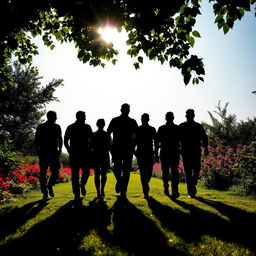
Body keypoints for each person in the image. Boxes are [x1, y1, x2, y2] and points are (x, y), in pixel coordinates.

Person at [107, 103, 138, 199]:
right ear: (122, 110)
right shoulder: (116, 120)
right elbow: (108, 133)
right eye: (126, 109)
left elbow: (136, 135)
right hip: (118, 148)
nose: (126, 111)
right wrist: (111, 146)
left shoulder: (131, 121)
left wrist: (133, 146)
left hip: (126, 149)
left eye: (127, 109)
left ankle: (123, 190)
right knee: (118, 168)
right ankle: (120, 183)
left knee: (126, 170)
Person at [179, 109, 209, 198]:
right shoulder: (182, 126)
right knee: (188, 172)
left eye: (190, 115)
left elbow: (204, 137)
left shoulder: (198, 126)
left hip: (196, 151)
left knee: (196, 170)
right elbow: (177, 139)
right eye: (188, 114)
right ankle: (191, 192)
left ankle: (192, 184)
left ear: (193, 115)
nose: (188, 116)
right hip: (185, 152)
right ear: (186, 116)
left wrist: (206, 148)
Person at [64, 111, 93, 200]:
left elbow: (91, 140)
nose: (85, 118)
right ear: (79, 117)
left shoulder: (87, 127)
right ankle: (76, 193)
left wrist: (90, 149)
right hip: (76, 154)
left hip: (83, 153)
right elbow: (65, 140)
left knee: (85, 172)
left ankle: (82, 185)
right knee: (75, 174)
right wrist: (69, 150)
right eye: (84, 116)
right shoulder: (71, 127)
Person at [35, 110, 63, 200]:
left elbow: (60, 138)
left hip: (49, 152)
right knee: (46, 172)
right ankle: (46, 190)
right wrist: (59, 149)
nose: (56, 118)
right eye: (55, 116)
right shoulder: (44, 127)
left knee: (52, 171)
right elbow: (36, 141)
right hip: (48, 152)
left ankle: (48, 187)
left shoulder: (43, 127)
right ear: (52, 117)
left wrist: (60, 149)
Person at [156, 112, 180, 198]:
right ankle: (173, 190)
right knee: (173, 172)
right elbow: (157, 142)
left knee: (167, 172)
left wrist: (156, 153)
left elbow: (156, 142)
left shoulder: (162, 128)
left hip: (167, 152)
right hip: (172, 152)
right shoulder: (177, 128)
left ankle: (169, 189)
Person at [135, 113, 157, 198]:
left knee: (149, 172)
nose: (142, 119)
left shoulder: (152, 129)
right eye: (142, 118)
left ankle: (145, 186)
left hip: (149, 152)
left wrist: (155, 153)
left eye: (144, 118)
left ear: (148, 119)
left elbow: (155, 142)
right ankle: (145, 191)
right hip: (141, 152)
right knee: (143, 172)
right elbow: (134, 141)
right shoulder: (138, 129)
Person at [91, 118, 111, 199]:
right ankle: (101, 189)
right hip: (104, 155)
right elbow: (110, 145)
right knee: (103, 174)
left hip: (96, 155)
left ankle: (99, 191)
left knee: (97, 174)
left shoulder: (93, 134)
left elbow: (91, 145)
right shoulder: (107, 134)